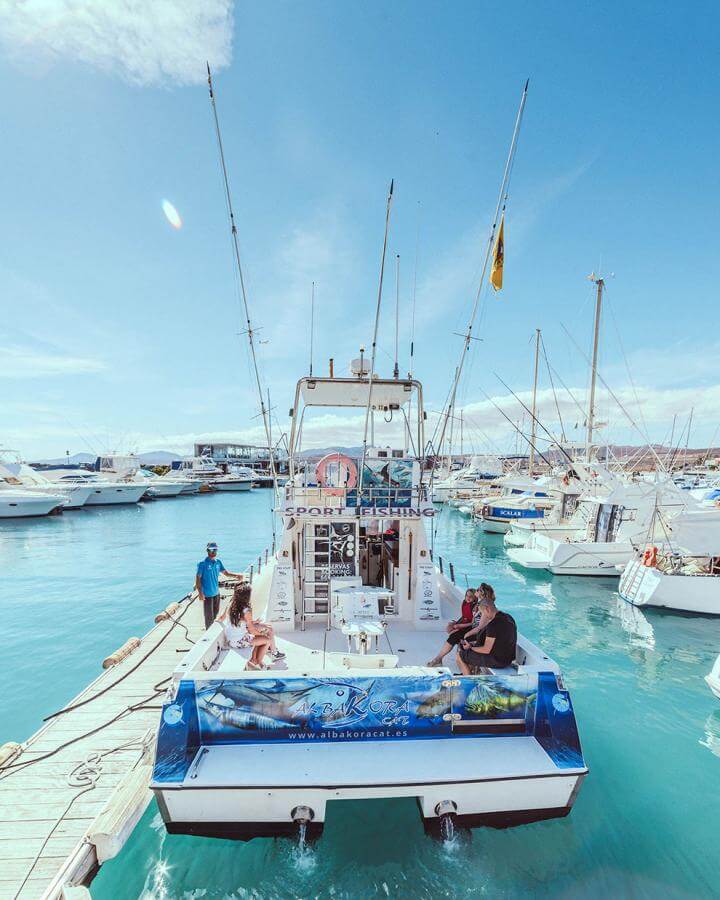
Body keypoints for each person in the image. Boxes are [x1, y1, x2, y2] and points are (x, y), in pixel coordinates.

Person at [457, 584, 517, 675]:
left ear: (487, 609)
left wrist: (471, 647)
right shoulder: (509, 617)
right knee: (474, 648)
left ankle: (468, 681)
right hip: (508, 658)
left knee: (460, 655)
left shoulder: (493, 624)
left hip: (498, 661)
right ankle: (472, 673)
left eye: (482, 612)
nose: (484, 615)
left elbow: (486, 650)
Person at [217, 584, 273, 670]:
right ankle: (257, 662)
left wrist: (253, 623)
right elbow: (251, 631)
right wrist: (261, 634)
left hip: (230, 639)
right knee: (267, 640)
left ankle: (255, 660)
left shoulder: (231, 604)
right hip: (239, 641)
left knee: (258, 637)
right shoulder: (247, 610)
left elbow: (221, 618)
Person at [195, 541, 244, 629]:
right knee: (209, 618)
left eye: (215, 550)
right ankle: (208, 634)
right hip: (207, 595)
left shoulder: (218, 562)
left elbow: (226, 573)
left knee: (216, 615)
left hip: (216, 593)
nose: (213, 552)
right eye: (211, 550)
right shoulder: (202, 564)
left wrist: (237, 576)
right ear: (207, 551)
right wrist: (200, 593)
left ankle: (212, 630)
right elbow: (198, 579)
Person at [426, 588, 478, 667]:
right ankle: (439, 659)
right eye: (467, 595)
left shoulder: (475, 607)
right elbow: (464, 617)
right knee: (449, 628)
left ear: (475, 598)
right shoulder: (464, 603)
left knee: (453, 636)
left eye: (471, 596)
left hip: (471, 628)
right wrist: (456, 623)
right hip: (464, 624)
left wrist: (459, 626)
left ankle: (438, 659)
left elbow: (473, 623)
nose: (468, 597)